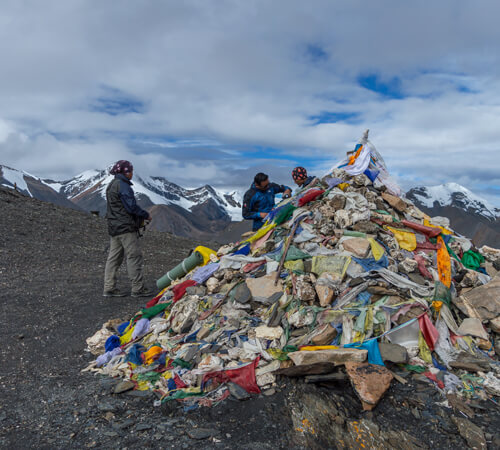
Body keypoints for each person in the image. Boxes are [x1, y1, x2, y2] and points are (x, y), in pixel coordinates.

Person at [103, 160, 153, 297]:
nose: (132, 173)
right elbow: (131, 207)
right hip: (126, 228)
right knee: (133, 256)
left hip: (114, 228)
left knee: (113, 258)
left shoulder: (111, 185)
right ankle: (138, 288)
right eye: (130, 171)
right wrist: (145, 215)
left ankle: (109, 288)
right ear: (126, 172)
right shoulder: (123, 186)